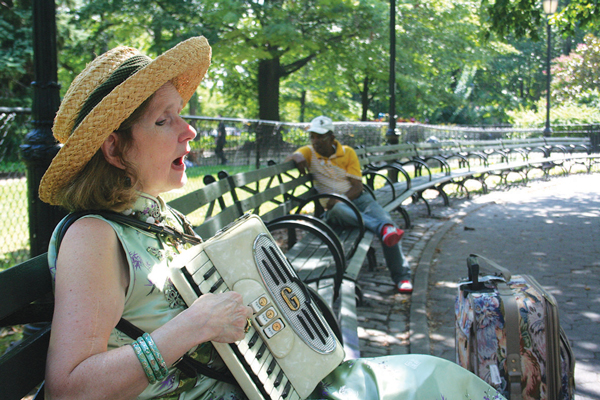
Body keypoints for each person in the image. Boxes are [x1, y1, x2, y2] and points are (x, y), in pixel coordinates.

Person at [40, 38, 505, 400]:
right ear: (116, 149)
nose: (189, 131)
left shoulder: (150, 215)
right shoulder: (93, 236)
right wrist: (191, 328)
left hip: (262, 384)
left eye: (180, 115)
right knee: (428, 382)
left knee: (431, 375)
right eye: (164, 121)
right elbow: (69, 388)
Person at [287, 116, 413, 294]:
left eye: (320, 137)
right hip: (335, 211)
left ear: (331, 137)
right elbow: (296, 155)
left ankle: (402, 277)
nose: (315, 141)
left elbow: (357, 187)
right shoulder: (310, 152)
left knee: (388, 222)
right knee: (345, 211)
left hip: (358, 199)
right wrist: (297, 156)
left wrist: (340, 198)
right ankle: (382, 229)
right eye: (312, 136)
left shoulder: (347, 152)